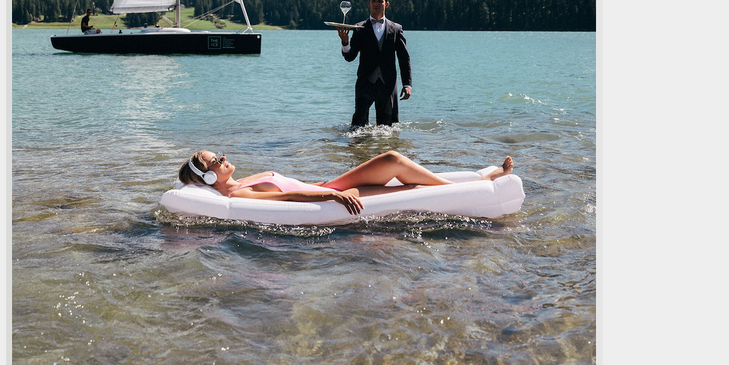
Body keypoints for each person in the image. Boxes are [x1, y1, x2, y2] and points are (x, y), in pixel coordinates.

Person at [177, 148, 511, 215]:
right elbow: (286, 200)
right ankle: (480, 184)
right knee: (395, 165)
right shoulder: (241, 194)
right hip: (333, 193)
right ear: (208, 176)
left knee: (397, 170)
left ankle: (479, 180)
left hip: (330, 184)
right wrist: (332, 198)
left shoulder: (239, 181)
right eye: (215, 161)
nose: (223, 157)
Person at [337, 0, 411, 127]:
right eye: (373, 0)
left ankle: (384, 149)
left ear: (386, 4)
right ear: (369, 3)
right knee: (357, 126)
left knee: (387, 128)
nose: (376, 3)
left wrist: (407, 84)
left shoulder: (396, 29)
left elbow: (404, 58)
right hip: (365, 83)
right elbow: (350, 57)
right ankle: (358, 148)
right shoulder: (359, 28)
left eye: (380, 1)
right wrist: (345, 42)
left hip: (387, 84)